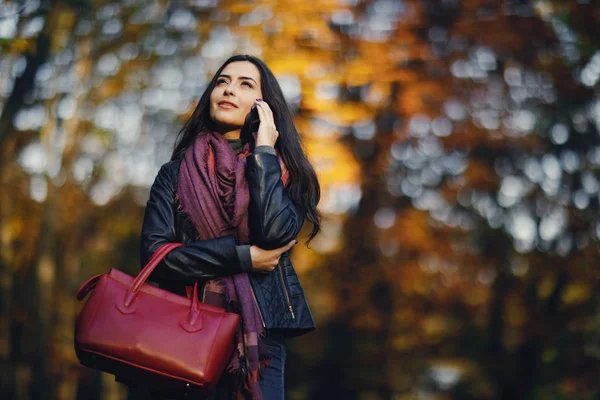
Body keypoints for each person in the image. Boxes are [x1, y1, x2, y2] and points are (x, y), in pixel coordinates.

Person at [131, 54, 321, 400]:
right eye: (222, 81)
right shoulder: (174, 175)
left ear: (264, 107)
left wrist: (264, 150)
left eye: (245, 84)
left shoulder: (283, 173)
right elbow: (156, 256)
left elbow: (276, 233)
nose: (228, 89)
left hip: (259, 343)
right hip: (183, 331)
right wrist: (242, 258)